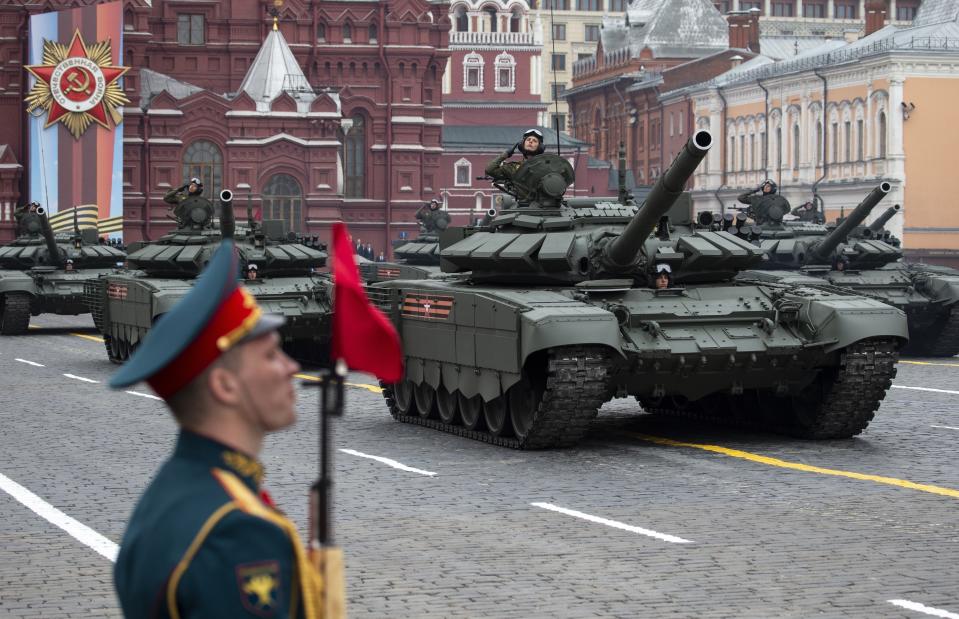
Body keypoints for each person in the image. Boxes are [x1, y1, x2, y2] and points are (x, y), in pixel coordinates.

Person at [109, 241, 322, 618]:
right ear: (225, 386)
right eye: (271, 355)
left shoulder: (168, 497)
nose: (291, 368)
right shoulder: (239, 532)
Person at [484, 129, 546, 196]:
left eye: (535, 141)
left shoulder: (546, 167)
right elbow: (490, 170)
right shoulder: (514, 168)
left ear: (540, 147)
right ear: (522, 144)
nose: (530, 141)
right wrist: (506, 154)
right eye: (528, 140)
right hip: (523, 203)